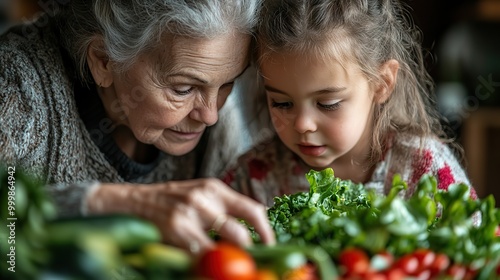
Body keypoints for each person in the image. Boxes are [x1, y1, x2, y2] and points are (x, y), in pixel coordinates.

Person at [0, 0, 275, 254]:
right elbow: (8, 228)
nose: (211, 115)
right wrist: (125, 203)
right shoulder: (14, 89)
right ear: (104, 60)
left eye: (228, 83)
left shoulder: (215, 125)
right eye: (183, 88)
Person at [223, 0, 478, 207]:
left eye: (328, 103)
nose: (302, 124)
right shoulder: (254, 178)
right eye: (281, 103)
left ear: (382, 83)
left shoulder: (425, 170)